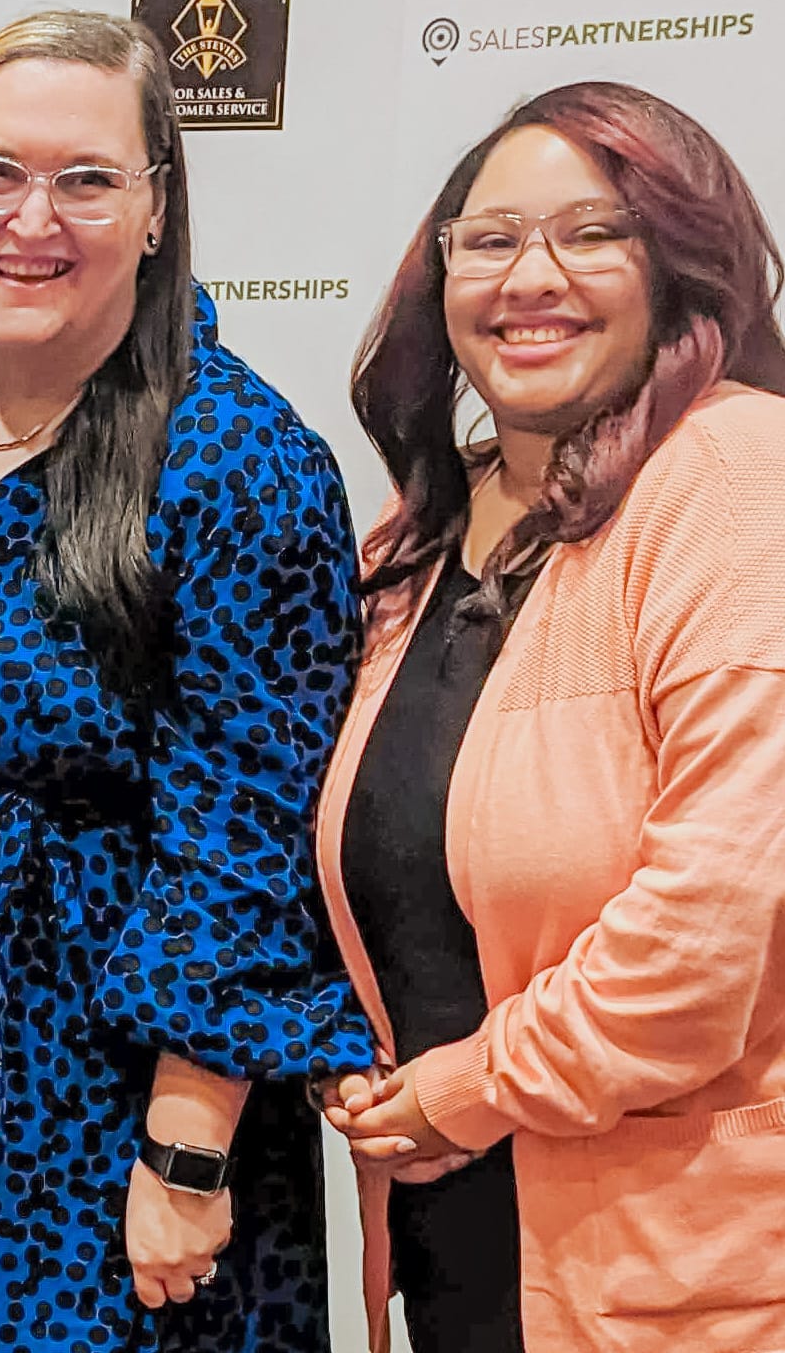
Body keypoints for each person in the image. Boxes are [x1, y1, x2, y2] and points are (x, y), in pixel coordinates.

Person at [0, 10, 377, 1353]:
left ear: (156, 212)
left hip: (105, 1088)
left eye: (86, 179)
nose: (29, 218)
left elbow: (245, 829)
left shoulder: (236, 460)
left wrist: (184, 1152)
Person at [319, 81, 785, 1353]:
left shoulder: (740, 476)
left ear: (683, 266)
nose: (533, 275)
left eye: (591, 233)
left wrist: (463, 1088)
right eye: (489, 238)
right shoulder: (413, 542)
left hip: (686, 1276)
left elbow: (696, 953)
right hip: (467, 1256)